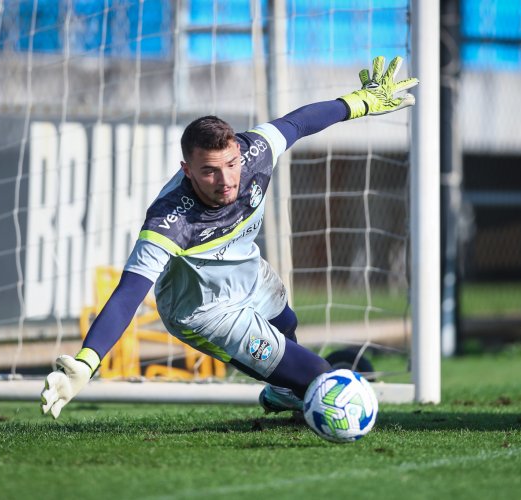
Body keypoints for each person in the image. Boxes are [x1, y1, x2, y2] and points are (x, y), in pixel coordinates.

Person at [40, 55, 418, 419]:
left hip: (248, 274)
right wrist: (87, 362)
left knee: (287, 327)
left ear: (240, 151)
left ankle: (285, 390)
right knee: (320, 376)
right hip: (205, 311)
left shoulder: (256, 151)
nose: (226, 180)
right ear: (186, 170)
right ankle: (309, 394)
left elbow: (299, 123)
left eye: (232, 164)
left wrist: (359, 102)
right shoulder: (169, 221)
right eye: (209, 172)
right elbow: (128, 294)